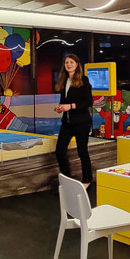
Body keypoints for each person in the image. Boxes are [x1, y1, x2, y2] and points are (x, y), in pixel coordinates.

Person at [54, 54, 93, 187]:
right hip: (67, 123)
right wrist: (60, 108)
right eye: (66, 63)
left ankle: (87, 180)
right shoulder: (64, 81)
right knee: (60, 151)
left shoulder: (83, 80)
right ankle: (67, 179)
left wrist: (70, 106)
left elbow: (88, 102)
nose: (69, 65)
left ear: (77, 64)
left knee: (82, 152)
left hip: (82, 123)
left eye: (71, 62)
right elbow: (64, 101)